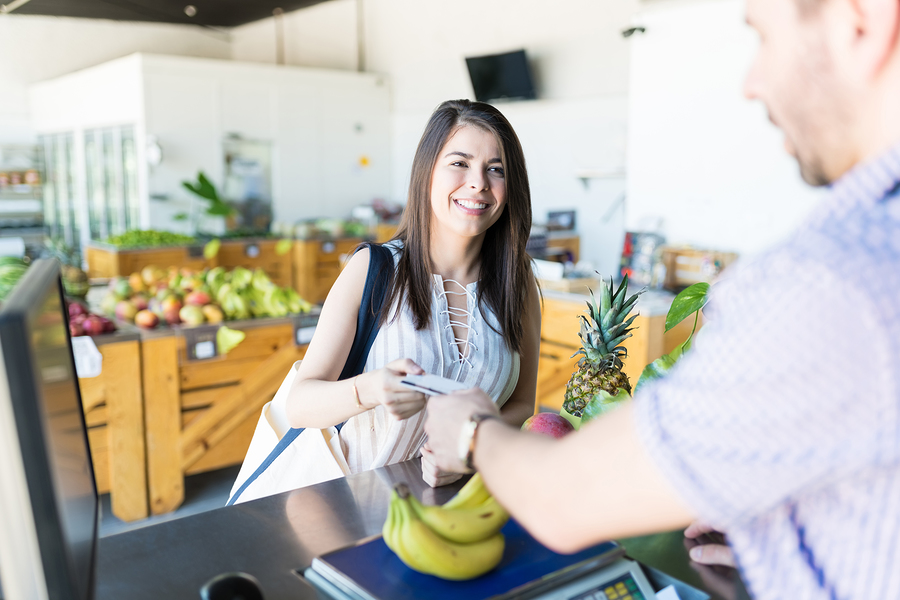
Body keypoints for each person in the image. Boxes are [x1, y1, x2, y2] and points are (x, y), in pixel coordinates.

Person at [424, 0, 900, 597]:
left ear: (862, 21)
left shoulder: (832, 280)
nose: (752, 84)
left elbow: (565, 501)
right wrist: (792, 530)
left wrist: (471, 432)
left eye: (764, 36)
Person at [287, 99, 541, 488]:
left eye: (496, 169)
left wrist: (469, 447)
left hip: (462, 507)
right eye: (460, 163)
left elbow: (522, 404)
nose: (478, 183)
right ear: (427, 173)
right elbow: (299, 404)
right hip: (352, 507)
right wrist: (369, 388)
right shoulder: (373, 270)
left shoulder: (517, 282)